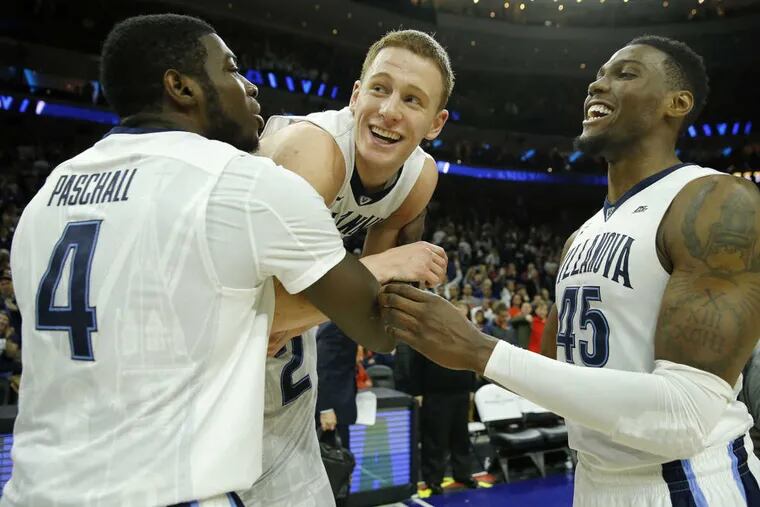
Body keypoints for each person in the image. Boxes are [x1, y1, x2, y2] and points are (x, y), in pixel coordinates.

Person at [1, 14, 398, 507]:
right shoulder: (243, 181)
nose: (249, 85)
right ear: (181, 87)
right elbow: (378, 327)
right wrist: (390, 261)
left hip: (34, 491)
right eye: (230, 69)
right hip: (162, 491)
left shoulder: (46, 196)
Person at [379, 35, 760, 506]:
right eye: (598, 75)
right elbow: (555, 378)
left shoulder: (716, 201)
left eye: (625, 74)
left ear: (676, 103)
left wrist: (477, 349)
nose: (597, 85)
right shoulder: (580, 236)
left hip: (687, 482)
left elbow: (685, 416)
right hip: (592, 479)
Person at [238, 29, 454, 506]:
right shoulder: (314, 152)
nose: (390, 110)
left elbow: (373, 322)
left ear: (435, 124)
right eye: (379, 88)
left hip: (279, 332)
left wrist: (329, 305)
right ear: (356, 95)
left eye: (412, 99)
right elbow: (255, 311)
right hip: (206, 307)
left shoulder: (419, 178)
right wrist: (383, 264)